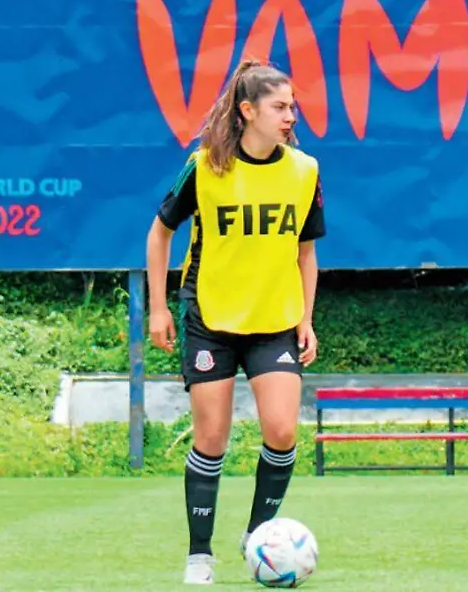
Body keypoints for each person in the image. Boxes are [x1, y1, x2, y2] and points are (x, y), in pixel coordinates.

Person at [145, 59, 325, 585]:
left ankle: (258, 538)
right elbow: (160, 234)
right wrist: (159, 307)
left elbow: (305, 252)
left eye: (292, 106)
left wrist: (307, 318)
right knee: (213, 439)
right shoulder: (204, 167)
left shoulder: (305, 170)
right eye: (280, 106)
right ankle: (199, 553)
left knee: (283, 431)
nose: (291, 115)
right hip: (212, 319)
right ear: (247, 112)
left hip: (275, 321)